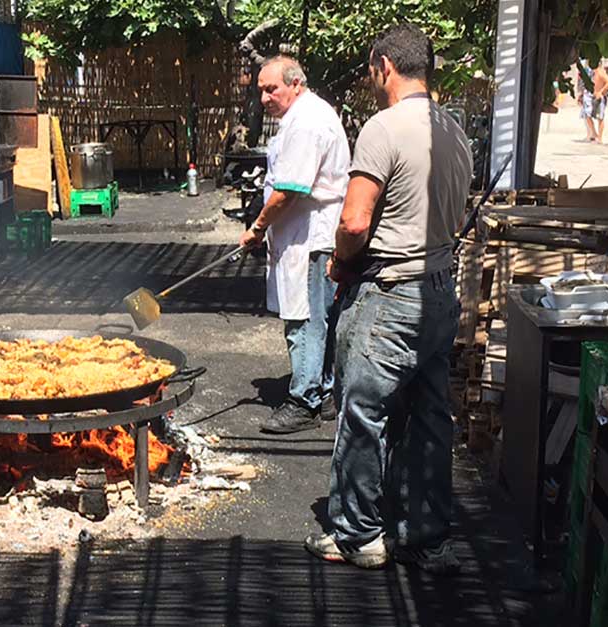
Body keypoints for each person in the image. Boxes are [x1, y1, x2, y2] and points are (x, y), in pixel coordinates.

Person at [305, 23, 472, 572]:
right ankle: (424, 536)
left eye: (371, 72)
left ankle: (358, 535)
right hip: (440, 292)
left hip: (390, 295)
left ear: (384, 67)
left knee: (363, 413)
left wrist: (340, 261)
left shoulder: (382, 128)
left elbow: (354, 220)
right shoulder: (454, 130)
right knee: (429, 415)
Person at [238, 55, 349, 435]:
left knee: (304, 319)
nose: (266, 97)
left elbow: (290, 190)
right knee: (318, 317)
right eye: (261, 91)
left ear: (295, 83)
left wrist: (257, 228)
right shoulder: (304, 116)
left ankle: (304, 400)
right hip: (302, 233)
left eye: (272, 89)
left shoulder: (307, 122)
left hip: (310, 236)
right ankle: (327, 392)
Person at [592, 61, 608, 143]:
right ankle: (597, 136)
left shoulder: (600, 72)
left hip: (600, 97)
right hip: (596, 96)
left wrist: (601, 91)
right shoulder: (596, 72)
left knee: (600, 118)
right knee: (597, 117)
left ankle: (600, 138)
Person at [578, 63, 599, 142]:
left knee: (587, 115)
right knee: (585, 115)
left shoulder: (591, 70)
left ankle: (593, 133)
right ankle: (590, 133)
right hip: (587, 93)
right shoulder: (589, 69)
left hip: (589, 94)